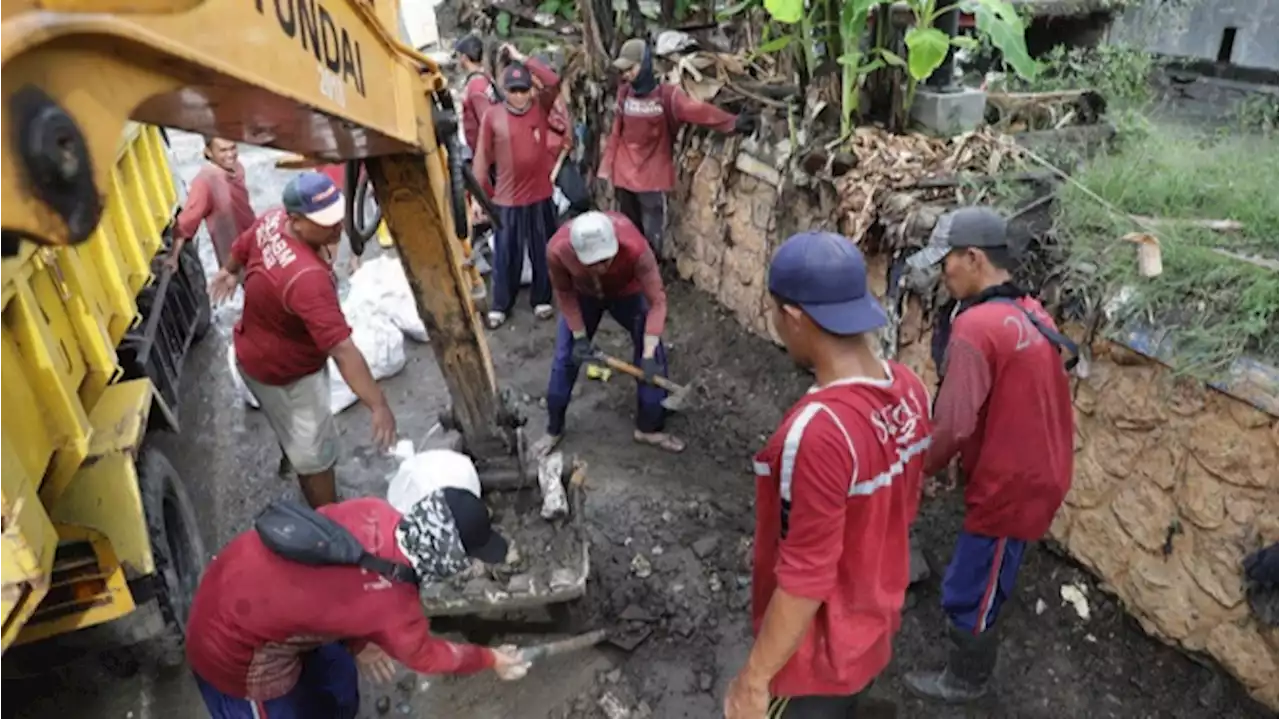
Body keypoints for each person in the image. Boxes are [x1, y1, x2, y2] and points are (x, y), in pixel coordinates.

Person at [724, 231, 934, 719]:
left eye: (777, 313)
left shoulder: (819, 432)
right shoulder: (910, 389)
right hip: (873, 623)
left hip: (816, 657)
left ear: (794, 318)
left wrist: (754, 680)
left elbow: (805, 578)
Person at [900, 206, 1075, 703]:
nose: (942, 273)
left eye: (946, 262)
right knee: (990, 563)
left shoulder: (977, 327)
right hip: (1032, 464)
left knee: (971, 584)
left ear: (973, 257)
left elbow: (954, 422)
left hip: (1013, 481)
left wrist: (922, 468)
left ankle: (967, 681)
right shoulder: (1028, 309)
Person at [186, 473, 531, 719]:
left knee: (339, 688)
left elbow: (334, 581)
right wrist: (491, 659)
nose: (469, 567)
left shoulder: (375, 511)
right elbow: (429, 656)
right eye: (468, 559)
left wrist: (359, 642)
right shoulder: (393, 606)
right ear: (446, 556)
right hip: (230, 649)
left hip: (234, 581)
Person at [208, 171, 397, 508]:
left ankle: (292, 451)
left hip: (252, 354)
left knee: (290, 428)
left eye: (337, 215)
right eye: (325, 222)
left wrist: (229, 270)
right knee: (318, 457)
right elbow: (342, 350)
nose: (337, 227)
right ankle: (328, 518)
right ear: (296, 220)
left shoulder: (272, 220)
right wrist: (378, 404)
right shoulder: (306, 278)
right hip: (287, 374)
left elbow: (242, 245)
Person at [532, 210, 684, 456]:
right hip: (583, 296)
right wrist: (580, 337)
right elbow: (565, 294)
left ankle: (649, 427)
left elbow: (657, 302)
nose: (601, 268)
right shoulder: (557, 250)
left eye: (606, 260)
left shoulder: (634, 247)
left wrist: (647, 353)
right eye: (593, 262)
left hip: (627, 292)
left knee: (653, 355)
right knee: (566, 358)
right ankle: (553, 428)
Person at [599, 38, 757, 257]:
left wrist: (732, 122)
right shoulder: (624, 94)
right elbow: (616, 131)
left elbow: (698, 111)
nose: (626, 75)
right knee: (627, 234)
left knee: (651, 240)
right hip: (624, 177)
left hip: (652, 180)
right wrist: (607, 167)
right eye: (623, 71)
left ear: (644, 65)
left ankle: (649, 280)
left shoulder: (668, 97)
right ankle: (629, 280)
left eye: (630, 69)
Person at [474, 45, 563, 329]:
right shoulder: (493, 116)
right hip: (507, 199)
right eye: (514, 90)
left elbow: (552, 81)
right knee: (505, 254)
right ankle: (501, 304)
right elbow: (481, 157)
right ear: (505, 91)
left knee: (542, 250)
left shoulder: (540, 107)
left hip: (540, 195)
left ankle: (542, 298)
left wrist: (524, 59)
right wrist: (477, 198)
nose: (520, 96)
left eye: (524, 90)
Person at [166, 136, 255, 271]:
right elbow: (188, 220)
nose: (230, 155)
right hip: (236, 256)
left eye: (233, 148)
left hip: (253, 242)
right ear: (208, 152)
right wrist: (173, 257)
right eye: (223, 151)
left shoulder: (237, 168)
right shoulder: (206, 180)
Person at [456, 34, 500, 152]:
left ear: (464, 58)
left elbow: (487, 123)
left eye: (458, 57)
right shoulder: (485, 78)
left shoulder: (476, 85)